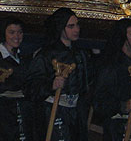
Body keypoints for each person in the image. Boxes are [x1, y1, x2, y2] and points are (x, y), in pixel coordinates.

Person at [25, 7, 91, 141]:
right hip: (53, 112)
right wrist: (51, 85)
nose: (76, 29)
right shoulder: (46, 55)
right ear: (61, 28)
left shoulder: (80, 54)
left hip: (75, 114)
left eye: (77, 25)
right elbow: (31, 87)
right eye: (71, 26)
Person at [93, 19, 131, 141]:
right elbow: (99, 101)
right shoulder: (111, 66)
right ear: (123, 38)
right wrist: (122, 106)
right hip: (118, 129)